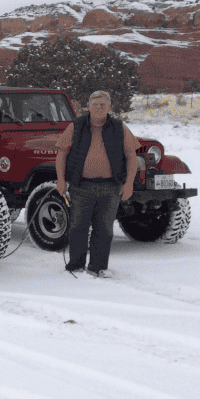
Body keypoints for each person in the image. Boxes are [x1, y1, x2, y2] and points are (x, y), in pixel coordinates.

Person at [54, 90, 140, 278]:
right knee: (78, 227)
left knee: (105, 229)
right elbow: (61, 153)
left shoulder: (119, 127)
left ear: (109, 107)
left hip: (111, 188)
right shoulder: (76, 126)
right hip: (81, 186)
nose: (99, 108)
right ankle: (75, 266)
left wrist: (129, 183)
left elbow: (132, 156)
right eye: (95, 104)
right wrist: (61, 180)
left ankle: (98, 267)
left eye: (103, 105)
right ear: (88, 107)